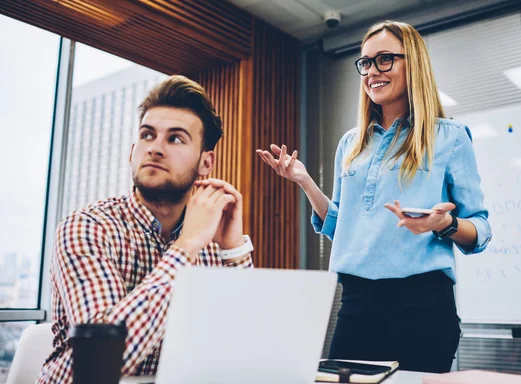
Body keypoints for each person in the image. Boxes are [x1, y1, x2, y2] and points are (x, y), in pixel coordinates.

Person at [257, 21, 491, 373]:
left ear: (412, 63)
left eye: (384, 59)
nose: (372, 71)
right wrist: (305, 181)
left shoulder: (451, 137)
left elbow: (481, 230)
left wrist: (445, 224)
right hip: (356, 304)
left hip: (422, 307)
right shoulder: (350, 144)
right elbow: (343, 229)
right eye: (365, 63)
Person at [39, 75, 254, 384]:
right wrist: (186, 246)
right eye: (147, 135)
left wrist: (232, 249)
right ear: (132, 153)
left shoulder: (209, 239)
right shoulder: (87, 227)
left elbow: (244, 340)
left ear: (206, 163)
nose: (155, 148)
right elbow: (105, 360)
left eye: (175, 138)